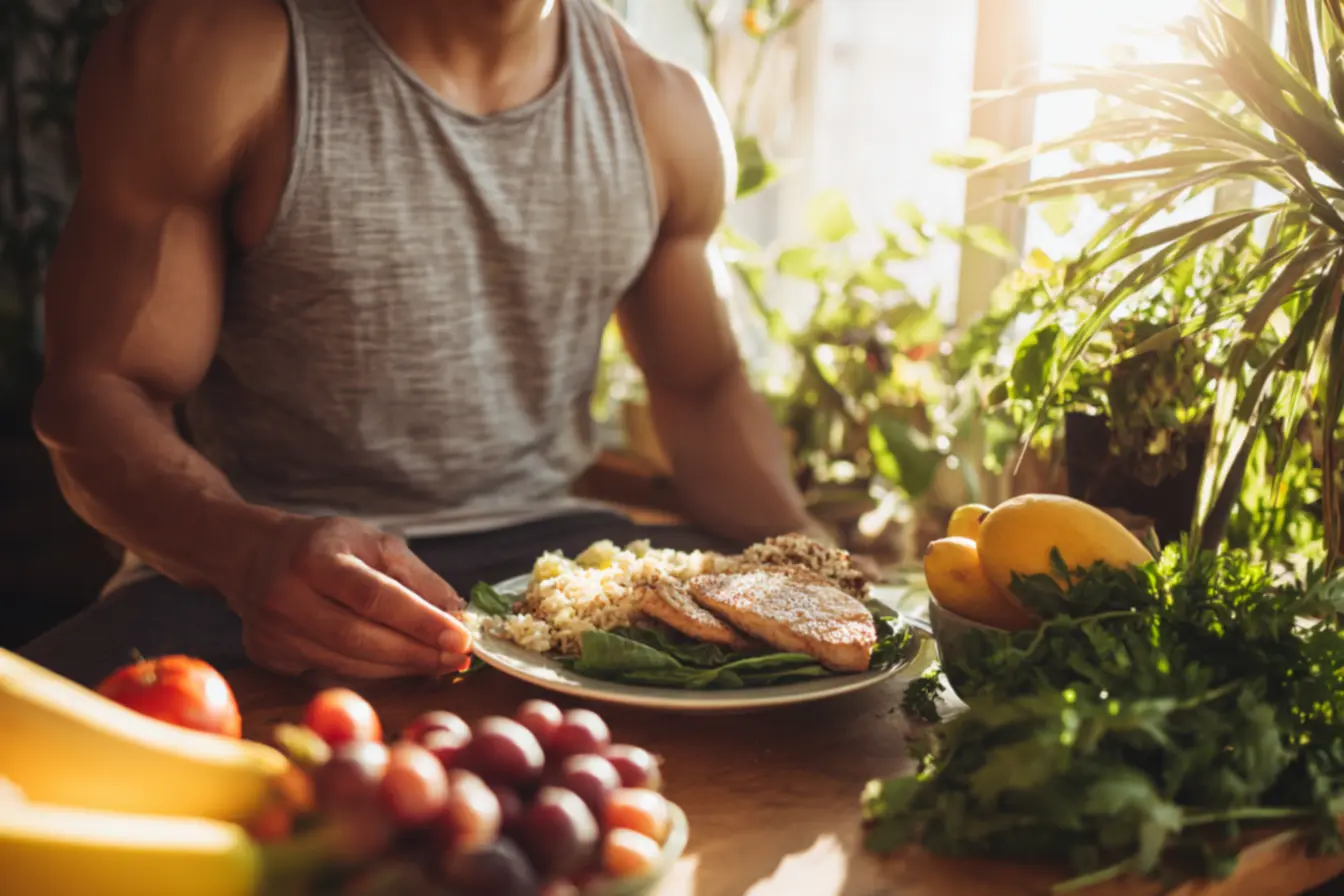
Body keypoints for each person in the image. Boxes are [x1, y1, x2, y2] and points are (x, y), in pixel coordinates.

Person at [23, 0, 843, 687]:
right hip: (247, 572)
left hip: (552, 574)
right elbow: (99, 392)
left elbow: (702, 390)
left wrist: (819, 571)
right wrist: (243, 552)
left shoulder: (663, 108)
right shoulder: (216, 53)